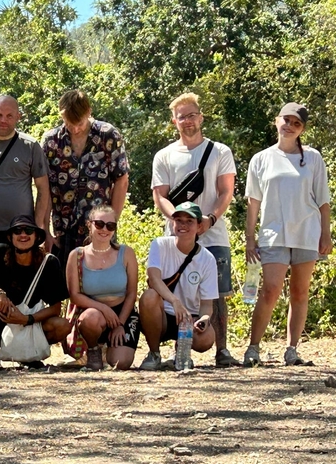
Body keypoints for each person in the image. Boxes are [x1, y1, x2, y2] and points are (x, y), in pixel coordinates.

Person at [152, 92, 238, 368]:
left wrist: (209, 219)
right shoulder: (164, 156)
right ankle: (173, 350)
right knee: (172, 290)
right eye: (181, 117)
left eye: (192, 115)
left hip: (213, 232)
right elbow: (160, 196)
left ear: (201, 117)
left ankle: (222, 350)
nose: (187, 121)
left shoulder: (220, 152)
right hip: (176, 236)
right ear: (173, 121)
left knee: (217, 293)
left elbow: (226, 191)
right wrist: (178, 221)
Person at [243, 103, 331, 367]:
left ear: (302, 129)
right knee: (269, 290)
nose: (290, 126)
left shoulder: (313, 157)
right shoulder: (261, 159)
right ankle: (253, 348)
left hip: (307, 232)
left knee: (300, 292)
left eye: (297, 123)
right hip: (273, 233)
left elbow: (323, 199)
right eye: (287, 120)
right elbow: (253, 202)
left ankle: (292, 349)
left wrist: (326, 234)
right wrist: (250, 238)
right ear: (276, 121)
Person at [0, 215, 70, 371]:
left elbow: (56, 308)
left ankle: (29, 356)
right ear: (10, 237)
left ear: (36, 236)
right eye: (17, 231)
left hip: (29, 325)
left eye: (28, 230)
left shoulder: (49, 263)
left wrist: (26, 319)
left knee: (63, 326)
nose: (23, 234)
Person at [41, 89, 130, 267]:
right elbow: (45, 188)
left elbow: (121, 180)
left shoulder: (108, 135)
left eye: (79, 123)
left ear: (88, 112)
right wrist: (45, 230)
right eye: (69, 123)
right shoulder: (51, 141)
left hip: (99, 228)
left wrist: (111, 222)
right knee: (64, 287)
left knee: (99, 287)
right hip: (63, 230)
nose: (75, 129)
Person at [0, 95, 51, 256]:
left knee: (21, 280)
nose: (3, 120)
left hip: (22, 232)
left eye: (9, 115)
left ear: (18, 117)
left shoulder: (30, 146)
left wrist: (37, 226)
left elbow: (43, 188)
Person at [138, 202, 218, 370]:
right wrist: (175, 302)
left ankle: (181, 352)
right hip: (163, 316)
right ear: (172, 223)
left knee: (207, 338)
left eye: (189, 221)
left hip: (189, 320)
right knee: (149, 296)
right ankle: (154, 353)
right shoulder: (159, 245)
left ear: (199, 226)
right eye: (179, 220)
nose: (183, 225)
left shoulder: (208, 259)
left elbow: (207, 305)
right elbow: (153, 278)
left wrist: (203, 320)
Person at [66, 205, 140, 370]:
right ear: (89, 225)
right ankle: (93, 350)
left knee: (121, 363)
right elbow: (75, 295)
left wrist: (119, 323)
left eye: (110, 225)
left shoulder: (126, 253)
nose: (104, 229)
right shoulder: (77, 255)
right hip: (93, 311)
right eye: (99, 224)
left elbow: (131, 293)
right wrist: (103, 309)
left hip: (123, 312)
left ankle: (110, 350)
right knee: (90, 318)